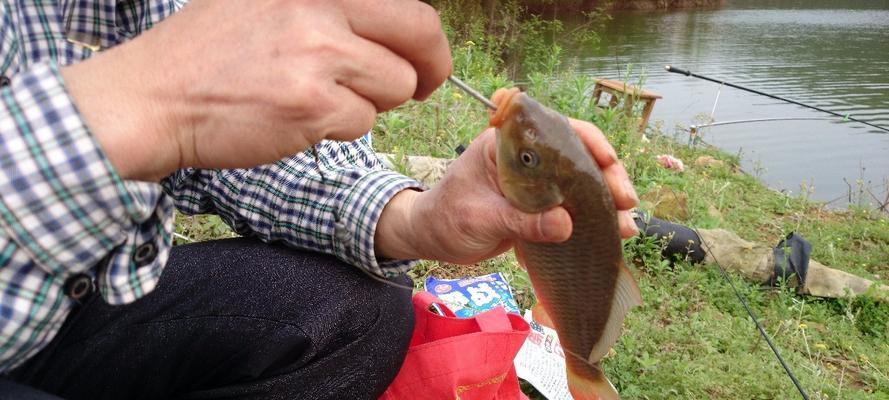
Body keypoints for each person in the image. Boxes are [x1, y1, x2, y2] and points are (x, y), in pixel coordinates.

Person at [0, 1, 639, 399]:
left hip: (76, 297)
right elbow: (172, 98)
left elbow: (222, 153)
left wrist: (414, 217)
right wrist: (143, 102)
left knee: (363, 314)